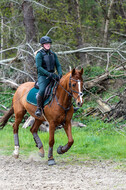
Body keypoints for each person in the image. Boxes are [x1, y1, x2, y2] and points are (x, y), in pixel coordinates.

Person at [35, 36, 62, 117]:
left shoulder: (53, 54)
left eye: (49, 43)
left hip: (53, 75)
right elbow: (39, 67)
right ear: (42, 45)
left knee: (64, 87)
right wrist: (48, 74)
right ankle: (39, 108)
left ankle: (69, 106)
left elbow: (58, 65)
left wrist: (60, 74)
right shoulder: (39, 54)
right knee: (42, 90)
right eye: (46, 44)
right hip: (43, 76)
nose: (48, 45)